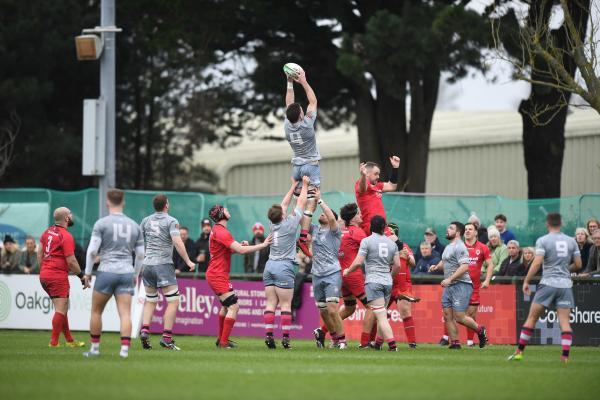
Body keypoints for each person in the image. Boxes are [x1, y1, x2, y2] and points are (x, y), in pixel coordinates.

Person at [509, 213, 581, 363]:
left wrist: (526, 281)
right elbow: (579, 265)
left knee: (532, 318)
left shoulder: (543, 240)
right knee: (565, 322)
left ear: (547, 224)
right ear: (561, 224)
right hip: (565, 285)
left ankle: (519, 352)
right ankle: (565, 357)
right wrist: (565, 269)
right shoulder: (571, 241)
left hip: (548, 283)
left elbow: (536, 263)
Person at [82, 189, 145, 358]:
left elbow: (92, 251)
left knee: (96, 311)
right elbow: (140, 255)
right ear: (123, 202)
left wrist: (87, 273)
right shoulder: (134, 225)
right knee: (125, 313)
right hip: (126, 272)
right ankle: (124, 351)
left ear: (107, 202)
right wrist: (135, 275)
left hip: (106, 271)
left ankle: (95, 349)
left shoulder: (101, 223)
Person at [207, 204, 272, 349]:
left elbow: (225, 251)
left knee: (226, 306)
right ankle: (223, 342)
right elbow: (242, 251)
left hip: (217, 273)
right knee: (234, 306)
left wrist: (238, 247)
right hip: (217, 274)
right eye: (225, 209)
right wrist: (263, 245)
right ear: (220, 214)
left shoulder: (219, 230)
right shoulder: (221, 231)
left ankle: (221, 339)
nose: (228, 211)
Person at [139, 194, 196, 351]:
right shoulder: (171, 221)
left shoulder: (145, 221)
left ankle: (144, 331)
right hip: (163, 264)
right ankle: (166, 338)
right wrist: (189, 261)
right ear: (166, 205)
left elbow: (140, 243)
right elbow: (177, 242)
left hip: (147, 264)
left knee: (150, 300)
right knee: (173, 301)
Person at [263, 177, 309, 349]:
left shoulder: (272, 223)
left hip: (269, 266)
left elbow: (284, 204)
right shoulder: (289, 224)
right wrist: (304, 185)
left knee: (270, 304)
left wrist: (292, 186)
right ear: (282, 215)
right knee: (285, 304)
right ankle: (285, 338)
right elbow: (301, 202)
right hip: (283, 266)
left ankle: (268, 335)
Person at [344, 215, 401, 351]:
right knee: (382, 313)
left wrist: (347, 271)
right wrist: (390, 276)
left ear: (371, 227)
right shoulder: (392, 243)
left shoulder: (367, 241)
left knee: (381, 316)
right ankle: (379, 344)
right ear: (384, 228)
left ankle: (392, 345)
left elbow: (358, 262)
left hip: (373, 281)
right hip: (387, 282)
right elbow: (397, 266)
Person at [429, 221, 488, 349]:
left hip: (461, 284)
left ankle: (480, 330)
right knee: (447, 315)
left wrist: (449, 279)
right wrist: (436, 266)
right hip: (449, 286)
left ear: (458, 232)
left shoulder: (460, 246)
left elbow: (465, 266)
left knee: (460, 317)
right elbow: (445, 261)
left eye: (450, 228)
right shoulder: (449, 246)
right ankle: (455, 343)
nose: (447, 230)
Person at [38, 207, 86, 347]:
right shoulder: (66, 236)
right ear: (66, 218)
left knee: (62, 308)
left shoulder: (47, 232)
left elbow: (39, 252)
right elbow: (71, 261)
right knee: (61, 309)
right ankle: (53, 342)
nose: (72, 216)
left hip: (45, 275)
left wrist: (44, 270)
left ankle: (70, 341)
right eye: (70, 214)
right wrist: (82, 276)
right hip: (57, 275)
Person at [284, 68, 319, 258]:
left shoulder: (287, 126)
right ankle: (303, 238)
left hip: (296, 166)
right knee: (311, 204)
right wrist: (303, 81)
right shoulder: (307, 125)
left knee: (298, 201)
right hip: (310, 166)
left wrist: (289, 82)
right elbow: (313, 101)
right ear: (301, 116)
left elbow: (290, 104)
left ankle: (290, 232)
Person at [335, 203, 376, 349]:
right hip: (353, 275)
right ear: (352, 219)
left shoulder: (340, 231)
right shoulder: (357, 232)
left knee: (350, 308)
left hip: (340, 275)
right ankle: (365, 342)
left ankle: (326, 332)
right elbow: (372, 250)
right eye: (358, 214)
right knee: (373, 307)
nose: (361, 216)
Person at [309, 196, 346, 349]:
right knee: (323, 311)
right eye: (322, 213)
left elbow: (331, 217)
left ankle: (343, 341)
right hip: (316, 274)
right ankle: (335, 339)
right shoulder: (314, 229)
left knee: (332, 310)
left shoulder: (334, 232)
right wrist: (302, 196)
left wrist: (319, 200)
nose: (322, 214)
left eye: (325, 213)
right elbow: (301, 219)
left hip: (332, 273)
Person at [386, 222, 419, 349]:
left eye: (391, 233)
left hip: (401, 284)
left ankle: (412, 343)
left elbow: (413, 262)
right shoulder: (382, 245)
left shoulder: (404, 246)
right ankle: (372, 343)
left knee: (405, 312)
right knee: (377, 313)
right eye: (387, 232)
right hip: (387, 283)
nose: (389, 235)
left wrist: (407, 258)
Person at [354, 157, 400, 235]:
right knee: (394, 243)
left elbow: (392, 186)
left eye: (378, 174)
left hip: (382, 226)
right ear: (367, 173)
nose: (378, 177)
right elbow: (362, 189)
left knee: (396, 244)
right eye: (376, 174)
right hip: (371, 226)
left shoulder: (377, 186)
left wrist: (395, 168)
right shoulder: (361, 183)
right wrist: (363, 176)